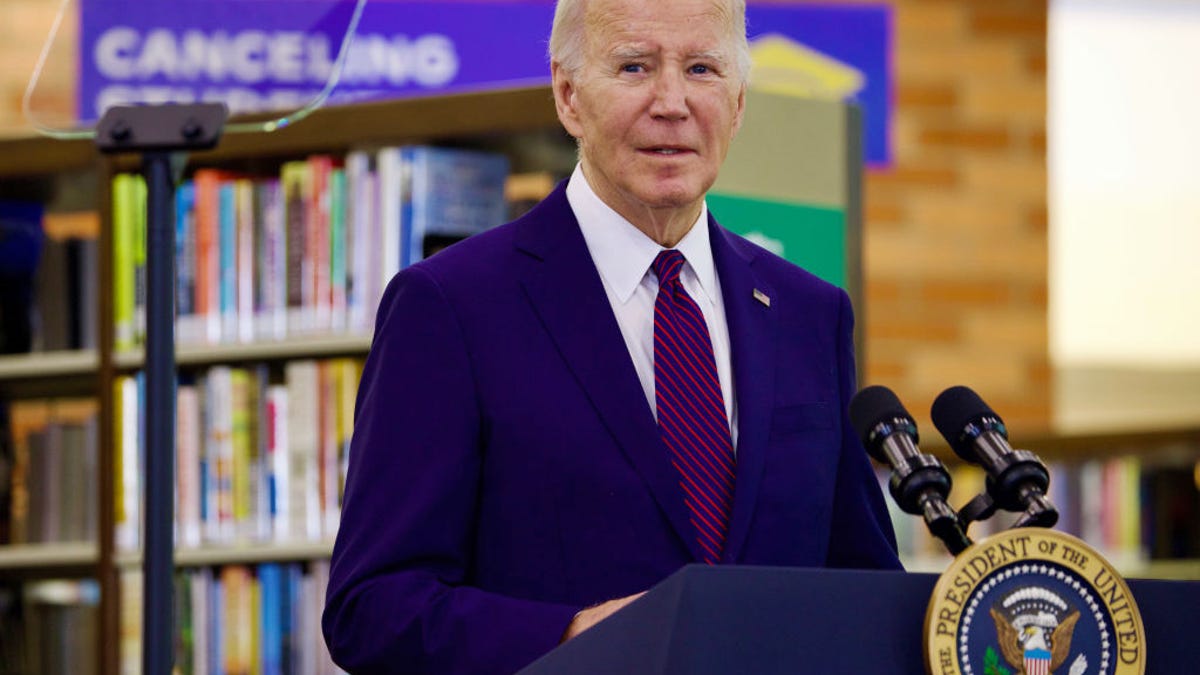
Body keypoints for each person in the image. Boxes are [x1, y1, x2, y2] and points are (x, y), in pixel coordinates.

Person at [322, 0, 901, 672]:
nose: (673, 102)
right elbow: (373, 606)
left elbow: (866, 591)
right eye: (634, 66)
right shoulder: (451, 305)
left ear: (738, 104)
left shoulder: (809, 313)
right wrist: (571, 633)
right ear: (569, 97)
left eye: (702, 69)